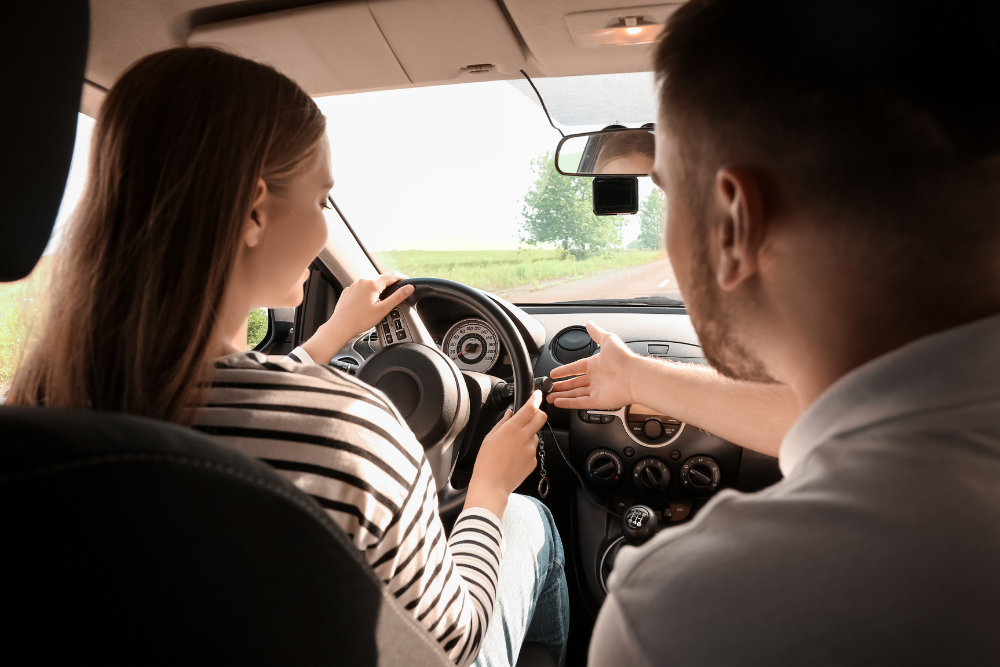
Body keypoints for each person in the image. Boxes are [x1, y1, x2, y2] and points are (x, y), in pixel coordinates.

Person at [8, 47, 568, 667]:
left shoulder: (37, 414)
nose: (326, 224)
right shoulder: (350, 430)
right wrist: (487, 489)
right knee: (527, 519)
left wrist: (328, 338)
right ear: (254, 209)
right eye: (323, 199)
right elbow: (453, 643)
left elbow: (221, 407)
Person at [550, 0, 1000, 663]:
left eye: (668, 193)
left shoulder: (681, 613)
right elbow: (847, 414)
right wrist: (636, 378)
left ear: (734, 222)